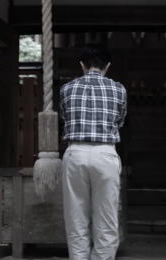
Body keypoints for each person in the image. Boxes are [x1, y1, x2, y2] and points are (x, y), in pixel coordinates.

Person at [59, 45, 127, 260]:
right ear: (108, 66)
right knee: (106, 219)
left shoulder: (66, 89)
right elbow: (120, 120)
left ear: (82, 65)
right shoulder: (119, 89)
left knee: (76, 218)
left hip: (75, 152)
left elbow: (64, 116)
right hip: (105, 153)